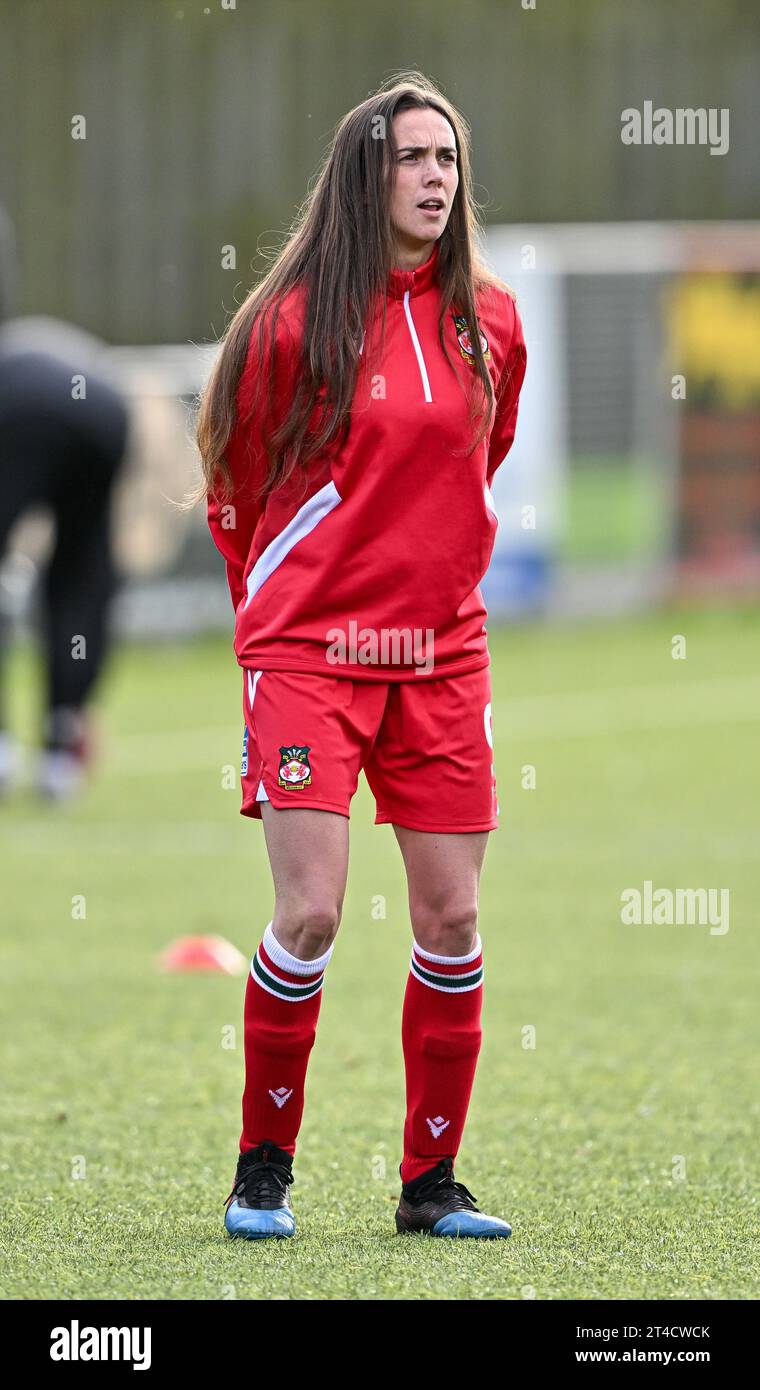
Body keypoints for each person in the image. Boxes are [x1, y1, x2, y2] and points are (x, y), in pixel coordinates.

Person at [195, 71, 527, 1240]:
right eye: (412, 159)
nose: (436, 177)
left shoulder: (488, 321)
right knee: (313, 913)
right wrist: (271, 623)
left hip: (441, 655)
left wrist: (428, 588)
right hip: (309, 655)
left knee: (450, 920)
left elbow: (472, 473)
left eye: (448, 159)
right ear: (364, 176)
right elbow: (233, 485)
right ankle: (262, 1169)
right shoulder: (290, 326)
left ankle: (431, 1186)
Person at [0, 319, 130, 799]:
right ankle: (61, 747)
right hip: (105, 410)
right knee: (80, 576)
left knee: (78, 575)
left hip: (36, 411)